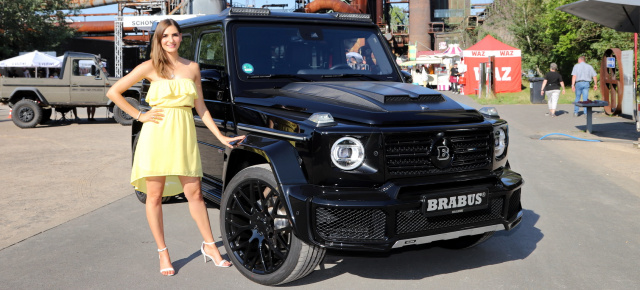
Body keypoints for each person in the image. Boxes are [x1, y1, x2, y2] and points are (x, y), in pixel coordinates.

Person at [106, 19, 245, 276]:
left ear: (181, 38)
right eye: (165, 36)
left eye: (175, 35)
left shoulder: (192, 67)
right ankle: (163, 252)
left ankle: (210, 246)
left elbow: (201, 107)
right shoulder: (149, 66)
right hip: (156, 135)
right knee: (155, 196)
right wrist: (139, 115)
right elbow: (114, 92)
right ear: (158, 40)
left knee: (195, 194)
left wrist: (221, 137)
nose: (171, 40)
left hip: (183, 134)